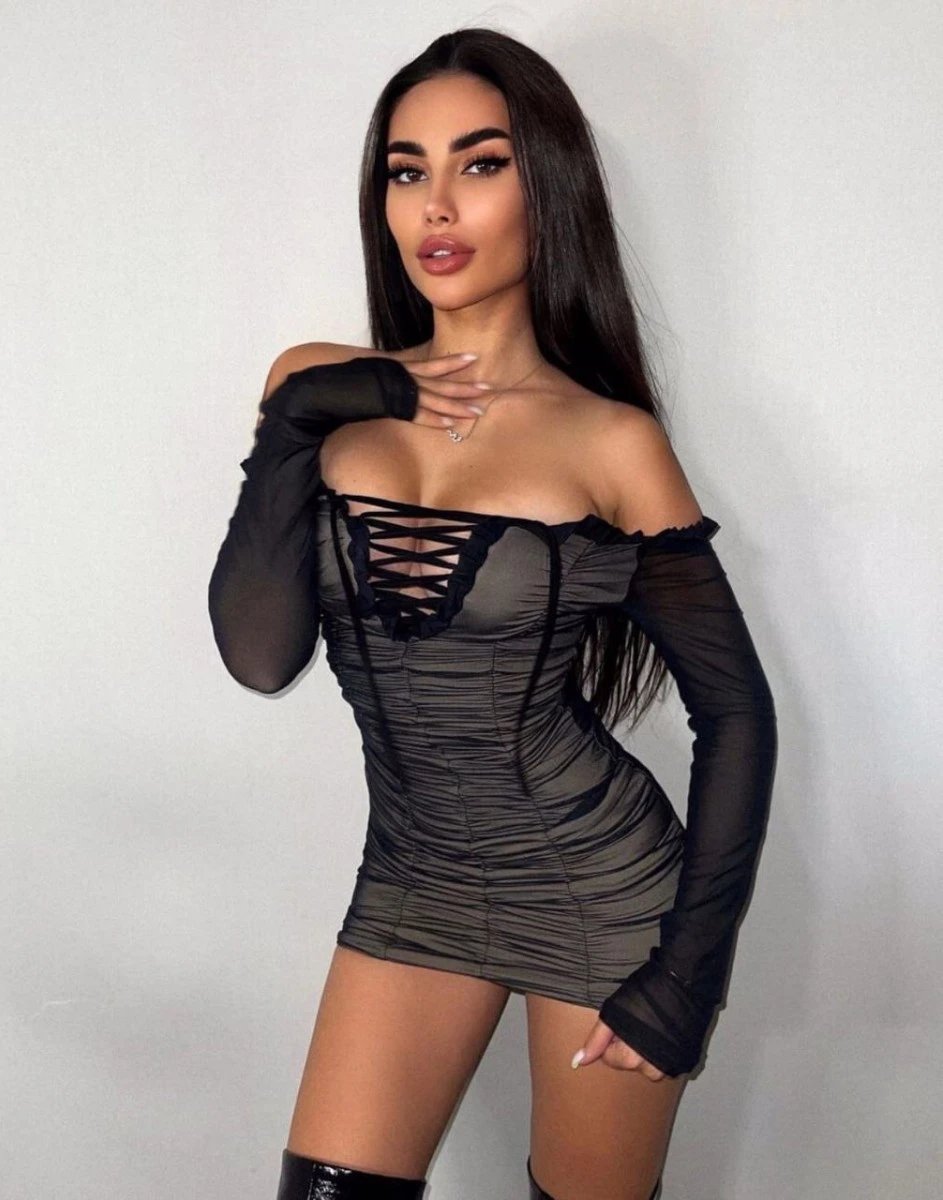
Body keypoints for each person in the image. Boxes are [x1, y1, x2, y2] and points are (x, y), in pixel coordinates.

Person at [208, 27, 778, 1200]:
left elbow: (736, 713)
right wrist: (307, 413)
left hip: (601, 894)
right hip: (411, 883)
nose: (436, 204)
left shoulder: (609, 440)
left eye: (479, 162)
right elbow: (259, 655)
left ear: (545, 186)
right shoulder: (317, 386)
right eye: (406, 170)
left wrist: (690, 972)